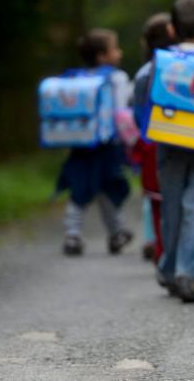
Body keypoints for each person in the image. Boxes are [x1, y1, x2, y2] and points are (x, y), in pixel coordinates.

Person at [134, 0, 194, 304]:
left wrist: (147, 131)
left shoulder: (159, 62)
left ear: (171, 30)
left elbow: (140, 98)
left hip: (168, 142)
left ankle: (168, 268)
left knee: (171, 207)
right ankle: (188, 274)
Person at [56, 28, 134, 256]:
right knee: (109, 189)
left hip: (81, 145)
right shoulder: (116, 79)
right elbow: (121, 112)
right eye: (115, 48)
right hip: (108, 146)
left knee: (79, 188)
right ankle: (116, 231)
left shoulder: (76, 78)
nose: (119, 53)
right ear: (102, 56)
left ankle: (72, 234)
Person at [133, 12, 176, 262]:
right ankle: (176, 255)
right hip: (183, 143)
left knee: (157, 204)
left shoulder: (143, 73)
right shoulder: (184, 67)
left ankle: (161, 251)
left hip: (152, 147)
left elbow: (139, 116)